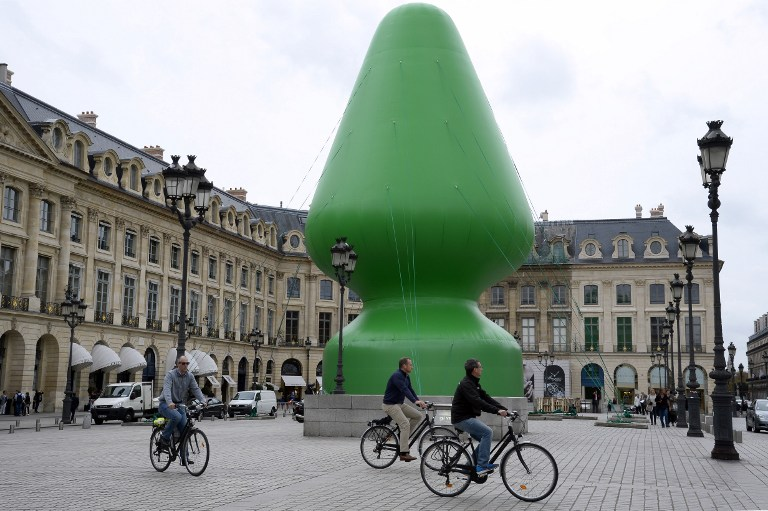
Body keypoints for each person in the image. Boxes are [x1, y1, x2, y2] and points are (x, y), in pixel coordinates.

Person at [451, 359, 508, 476]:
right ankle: (482, 466)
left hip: (467, 417)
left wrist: (504, 409)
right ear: (474, 370)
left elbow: (486, 398)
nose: (482, 369)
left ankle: (468, 467)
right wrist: (497, 411)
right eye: (480, 367)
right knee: (487, 432)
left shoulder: (474, 383)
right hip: (461, 418)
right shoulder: (466, 384)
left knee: (484, 438)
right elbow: (478, 402)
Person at [158, 355, 207, 464]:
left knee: (185, 430)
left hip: (179, 404)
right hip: (165, 403)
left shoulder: (189, 376)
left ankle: (185, 458)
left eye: (187, 363)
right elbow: (166, 390)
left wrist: (203, 401)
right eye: (183, 363)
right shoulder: (170, 375)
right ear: (178, 364)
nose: (185, 365)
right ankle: (164, 438)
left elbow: (196, 389)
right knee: (177, 417)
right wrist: (169, 402)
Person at [382, 357, 427, 462]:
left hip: (399, 404)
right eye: (410, 364)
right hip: (390, 405)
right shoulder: (397, 376)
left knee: (418, 416)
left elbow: (410, 389)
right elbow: (404, 389)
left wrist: (418, 401)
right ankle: (403, 453)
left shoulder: (406, 376)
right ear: (404, 366)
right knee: (405, 424)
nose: (412, 367)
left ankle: (402, 437)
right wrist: (414, 401)